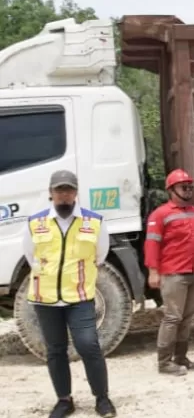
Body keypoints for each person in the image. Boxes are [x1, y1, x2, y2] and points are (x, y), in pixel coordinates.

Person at [23, 170, 117, 418]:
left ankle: (102, 398)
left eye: (68, 190)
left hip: (79, 297)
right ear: (50, 193)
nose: (64, 195)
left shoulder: (94, 222)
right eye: (59, 191)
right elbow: (30, 257)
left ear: (76, 193)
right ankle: (64, 400)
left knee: (89, 345)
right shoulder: (35, 222)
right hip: (45, 299)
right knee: (55, 350)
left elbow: (100, 255)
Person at [145, 169, 194, 376]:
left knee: (188, 316)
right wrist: (153, 272)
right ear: (171, 190)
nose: (188, 190)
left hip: (193, 272)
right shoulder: (160, 215)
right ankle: (164, 362)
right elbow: (152, 245)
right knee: (173, 317)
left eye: (190, 187)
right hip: (173, 273)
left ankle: (181, 357)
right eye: (184, 187)